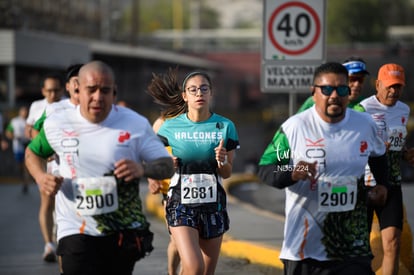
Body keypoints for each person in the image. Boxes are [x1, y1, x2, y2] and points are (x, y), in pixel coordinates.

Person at [24, 60, 174, 275]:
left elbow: (166, 165)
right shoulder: (58, 122)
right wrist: (40, 177)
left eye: (105, 90)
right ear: (78, 90)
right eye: (91, 90)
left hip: (121, 230)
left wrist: (143, 170)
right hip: (75, 228)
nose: (97, 97)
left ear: (114, 92)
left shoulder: (135, 124)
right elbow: (33, 152)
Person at [258, 62, 389, 275]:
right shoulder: (295, 128)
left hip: (352, 247)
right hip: (304, 250)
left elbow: (378, 155)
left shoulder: (365, 124)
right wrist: (290, 174)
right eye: (327, 89)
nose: (334, 95)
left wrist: (382, 184)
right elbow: (267, 168)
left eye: (342, 89)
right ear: (314, 92)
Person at [147, 69, 240, 275]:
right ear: (185, 96)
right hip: (181, 203)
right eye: (193, 89)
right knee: (195, 267)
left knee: (205, 272)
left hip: (213, 205)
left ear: (211, 93)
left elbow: (226, 173)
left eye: (204, 89)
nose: (199, 93)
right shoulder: (168, 127)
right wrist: (160, 170)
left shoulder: (225, 126)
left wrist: (221, 160)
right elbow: (153, 161)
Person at [360, 63, 414, 275]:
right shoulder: (363, 109)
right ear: (378, 85)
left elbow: (398, 144)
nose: (394, 91)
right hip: (365, 183)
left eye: (398, 86)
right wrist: (376, 147)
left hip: (392, 182)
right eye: (390, 86)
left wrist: (405, 153)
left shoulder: (404, 110)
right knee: (360, 247)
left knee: (392, 243)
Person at [25, 72, 64, 262]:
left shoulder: (68, 106)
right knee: (47, 203)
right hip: (48, 163)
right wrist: (44, 150)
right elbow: (30, 129)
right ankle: (49, 244)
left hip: (66, 165)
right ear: (43, 91)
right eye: (49, 90)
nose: (53, 94)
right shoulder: (38, 107)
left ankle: (61, 236)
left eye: (56, 90)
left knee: (62, 205)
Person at [297, 56, 370, 113]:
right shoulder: (315, 100)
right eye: (352, 79)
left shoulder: (366, 105)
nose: (357, 84)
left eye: (361, 80)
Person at [5, 106, 31, 193]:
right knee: (20, 166)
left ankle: (26, 183)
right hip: (18, 147)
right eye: (23, 111)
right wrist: (15, 137)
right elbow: (8, 133)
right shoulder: (15, 121)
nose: (25, 113)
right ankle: (23, 180)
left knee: (26, 166)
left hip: (29, 146)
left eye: (26, 111)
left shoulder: (31, 121)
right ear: (20, 112)